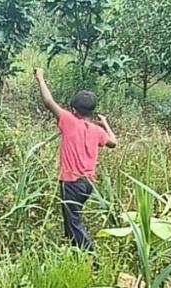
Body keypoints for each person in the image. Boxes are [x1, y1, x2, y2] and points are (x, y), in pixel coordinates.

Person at [33, 67, 117, 251]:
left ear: (73, 110)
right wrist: (105, 124)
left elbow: (48, 101)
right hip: (87, 184)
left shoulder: (70, 121)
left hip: (72, 181)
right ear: (92, 112)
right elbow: (113, 142)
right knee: (70, 216)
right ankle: (71, 249)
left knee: (74, 220)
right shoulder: (97, 131)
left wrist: (40, 77)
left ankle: (90, 256)